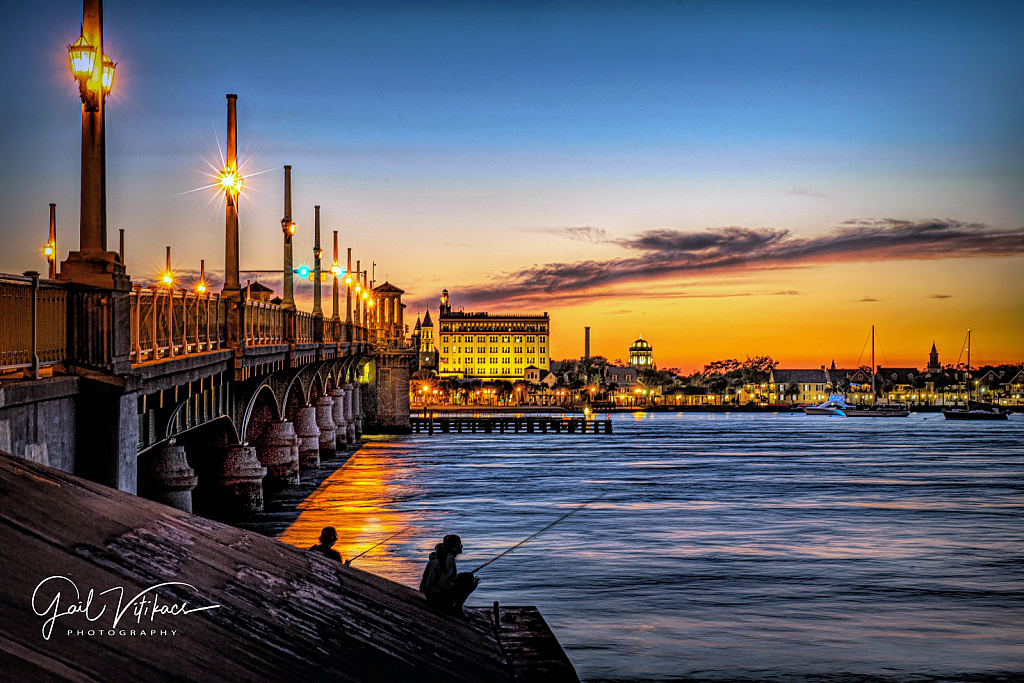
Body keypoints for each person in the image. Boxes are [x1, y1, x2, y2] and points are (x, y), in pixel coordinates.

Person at [419, 534, 479, 616]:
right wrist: (456, 583)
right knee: (470, 579)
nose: (461, 546)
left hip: (429, 595)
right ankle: (456, 609)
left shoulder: (438, 557)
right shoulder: (448, 560)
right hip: (437, 598)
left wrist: (456, 578)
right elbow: (442, 584)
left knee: (465, 575)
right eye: (459, 544)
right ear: (454, 547)